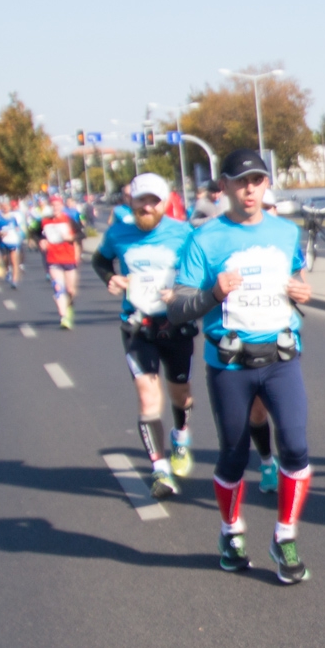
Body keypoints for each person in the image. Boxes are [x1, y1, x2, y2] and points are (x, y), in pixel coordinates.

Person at [168, 149, 315, 584]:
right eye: (240, 181)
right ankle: (231, 532)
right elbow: (177, 308)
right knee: (233, 454)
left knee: (296, 446)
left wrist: (302, 292)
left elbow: (295, 283)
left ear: (266, 184)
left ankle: (284, 536)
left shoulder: (285, 233)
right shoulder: (205, 239)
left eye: (257, 181)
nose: (249, 189)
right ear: (225, 187)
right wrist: (212, 294)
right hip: (230, 364)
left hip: (281, 359)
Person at [94, 173, 197, 498]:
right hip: (137, 325)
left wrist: (182, 291)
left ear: (164, 203)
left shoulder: (182, 233)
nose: (147, 206)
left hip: (175, 324)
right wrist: (111, 279)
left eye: (154, 200)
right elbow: (99, 260)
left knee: (181, 394)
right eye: (142, 200)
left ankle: (181, 437)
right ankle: (159, 469)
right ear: (132, 202)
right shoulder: (117, 232)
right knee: (147, 395)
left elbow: (200, 271)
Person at [40, 194, 83, 329]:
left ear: (62, 206)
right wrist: (41, 241)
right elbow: (36, 233)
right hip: (53, 258)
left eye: (57, 205)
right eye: (52, 205)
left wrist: (71, 237)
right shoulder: (45, 221)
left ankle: (69, 309)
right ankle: (64, 317)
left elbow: (82, 234)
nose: (55, 208)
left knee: (70, 290)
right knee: (58, 287)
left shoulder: (69, 220)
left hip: (68, 257)